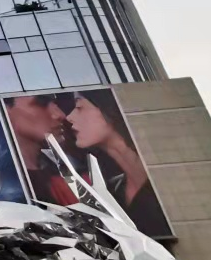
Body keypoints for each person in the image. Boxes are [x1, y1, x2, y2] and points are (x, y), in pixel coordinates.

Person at [61, 93, 168, 237]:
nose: (69, 117)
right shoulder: (111, 190)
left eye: (80, 107)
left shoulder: (166, 174)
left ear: (108, 108)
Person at [2, 94, 76, 205]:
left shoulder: (64, 169)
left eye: (55, 104)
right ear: (7, 110)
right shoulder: (3, 184)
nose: (59, 115)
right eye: (41, 103)